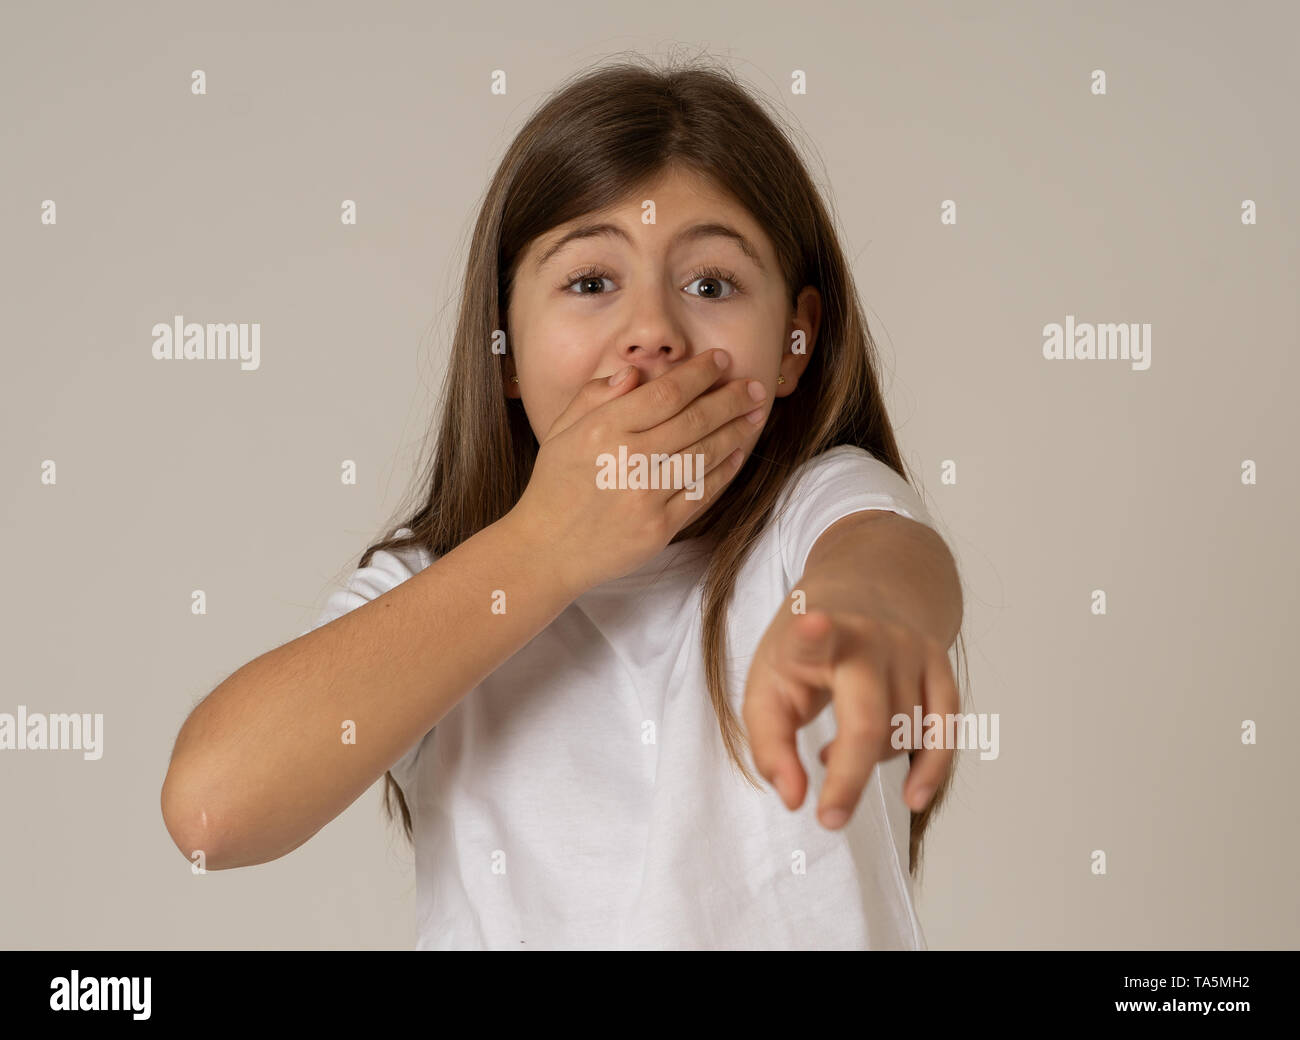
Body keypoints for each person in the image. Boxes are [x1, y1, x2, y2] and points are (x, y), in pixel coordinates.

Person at [161, 56, 966, 950]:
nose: (654, 330)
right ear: (505, 352)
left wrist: (867, 618)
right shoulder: (440, 584)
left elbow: (887, 562)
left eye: (711, 284)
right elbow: (211, 811)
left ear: (794, 342)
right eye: (591, 282)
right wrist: (549, 544)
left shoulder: (815, 513)